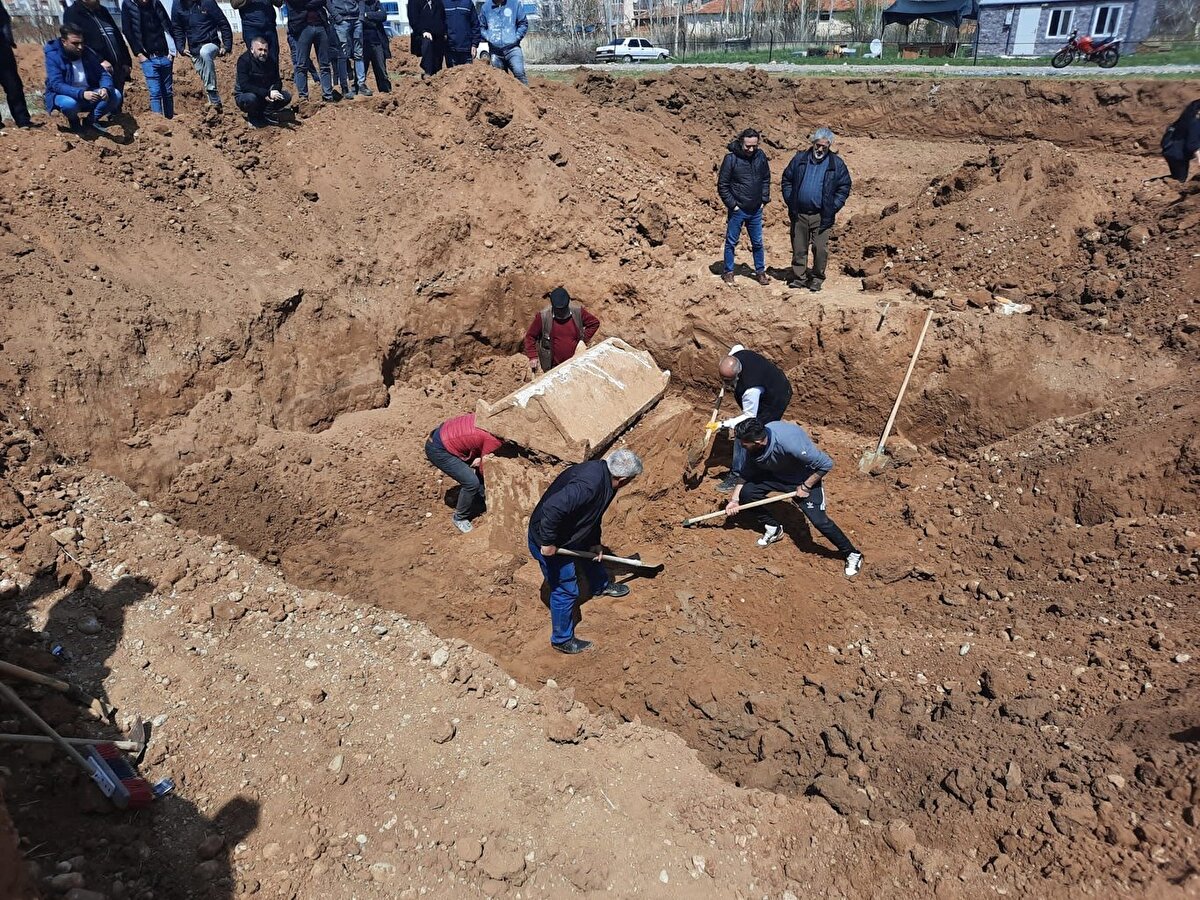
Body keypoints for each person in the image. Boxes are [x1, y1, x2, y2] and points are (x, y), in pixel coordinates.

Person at [527, 449, 642, 654]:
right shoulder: (589, 485)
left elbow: (593, 514)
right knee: (565, 588)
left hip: (571, 531)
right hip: (550, 540)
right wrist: (548, 542)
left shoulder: (608, 479)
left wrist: (594, 541)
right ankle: (561, 639)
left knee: (593, 556)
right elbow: (553, 508)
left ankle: (600, 586)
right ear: (623, 479)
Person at [726, 418, 862, 578]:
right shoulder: (754, 447)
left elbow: (826, 464)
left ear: (757, 441)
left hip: (803, 480)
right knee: (747, 493)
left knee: (820, 521)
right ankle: (773, 528)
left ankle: (852, 553)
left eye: (743, 442)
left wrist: (806, 486)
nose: (740, 444)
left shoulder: (790, 444)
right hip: (776, 474)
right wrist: (734, 500)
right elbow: (746, 473)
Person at [711, 345, 792, 492]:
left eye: (729, 381)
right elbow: (737, 346)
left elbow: (749, 416)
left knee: (743, 434)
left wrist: (722, 424)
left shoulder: (750, 390)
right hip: (771, 384)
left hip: (775, 399)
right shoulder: (737, 353)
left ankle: (738, 474)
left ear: (738, 374)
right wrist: (726, 379)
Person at [781, 126, 852, 293]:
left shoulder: (836, 164)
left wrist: (833, 206)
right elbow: (787, 180)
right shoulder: (799, 159)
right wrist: (791, 200)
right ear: (813, 143)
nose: (820, 149)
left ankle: (817, 278)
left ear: (829, 146)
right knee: (799, 247)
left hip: (822, 215)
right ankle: (799, 277)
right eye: (818, 145)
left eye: (824, 147)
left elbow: (844, 186)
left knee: (820, 249)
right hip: (799, 213)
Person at [424, 413, 503, 533]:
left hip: (445, 435)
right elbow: (485, 469)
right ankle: (459, 518)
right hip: (439, 450)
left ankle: (481, 498)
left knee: (479, 467)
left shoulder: (489, 415)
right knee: (471, 483)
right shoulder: (494, 438)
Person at [43, 24, 123, 134]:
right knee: (69, 104)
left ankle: (91, 121)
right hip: (66, 95)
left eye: (81, 43)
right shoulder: (54, 56)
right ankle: (74, 122)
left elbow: (103, 74)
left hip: (89, 92)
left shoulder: (88, 53)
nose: (80, 47)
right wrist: (81, 93)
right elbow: (56, 84)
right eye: (75, 43)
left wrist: (105, 88)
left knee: (116, 95)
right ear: (64, 41)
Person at [717, 128, 771, 286]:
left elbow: (766, 178)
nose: (751, 149)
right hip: (738, 210)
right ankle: (728, 272)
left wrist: (764, 199)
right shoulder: (731, 159)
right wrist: (733, 206)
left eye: (754, 146)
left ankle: (760, 272)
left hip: (755, 209)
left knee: (758, 243)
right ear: (741, 143)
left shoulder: (760, 156)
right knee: (731, 242)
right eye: (748, 146)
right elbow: (723, 185)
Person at [171, 0, 233, 110]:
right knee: (203, 73)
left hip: (211, 43)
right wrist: (180, 47)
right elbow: (177, 28)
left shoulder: (207, 2)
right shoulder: (177, 5)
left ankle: (211, 90)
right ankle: (215, 105)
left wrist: (227, 46)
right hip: (194, 48)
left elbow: (223, 22)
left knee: (205, 52)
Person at [522, 287, 600, 373]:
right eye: (559, 310)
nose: (561, 313)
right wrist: (533, 356)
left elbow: (594, 323)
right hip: (553, 366)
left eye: (563, 309)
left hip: (575, 362)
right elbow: (530, 336)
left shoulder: (577, 312)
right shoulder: (543, 317)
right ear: (553, 306)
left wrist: (582, 340)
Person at [120, 0, 174, 118]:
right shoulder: (128, 5)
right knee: (155, 93)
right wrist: (138, 53)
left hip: (164, 55)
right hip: (148, 57)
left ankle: (170, 120)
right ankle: (158, 122)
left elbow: (167, 24)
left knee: (168, 92)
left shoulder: (155, 3)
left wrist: (172, 50)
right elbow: (127, 31)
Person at [63, 0, 132, 91]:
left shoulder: (103, 11)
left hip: (118, 69)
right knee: (105, 101)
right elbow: (77, 43)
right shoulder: (72, 13)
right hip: (98, 71)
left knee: (117, 101)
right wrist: (99, 60)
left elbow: (118, 37)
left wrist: (126, 61)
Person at [234, 35, 291, 126]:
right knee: (251, 99)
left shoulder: (271, 61)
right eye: (260, 50)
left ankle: (267, 113)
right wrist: (266, 93)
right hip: (247, 94)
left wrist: (274, 90)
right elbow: (245, 85)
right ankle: (253, 116)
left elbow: (277, 80)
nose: (263, 53)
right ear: (252, 50)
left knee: (286, 96)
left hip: (265, 95)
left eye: (265, 50)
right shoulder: (244, 61)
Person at [285, 0, 334, 101]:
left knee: (325, 64)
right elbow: (298, 3)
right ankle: (303, 97)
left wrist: (307, 4)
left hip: (320, 25)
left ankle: (328, 95)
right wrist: (312, 3)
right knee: (301, 65)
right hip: (302, 27)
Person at [0, 1, 34, 129]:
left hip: (2, 49)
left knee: (14, 86)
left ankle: (23, 120)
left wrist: (8, 38)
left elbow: (4, 18)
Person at [478, 0, 527, 85]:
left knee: (519, 73)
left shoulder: (515, 4)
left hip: (513, 49)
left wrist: (516, 37)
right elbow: (481, 27)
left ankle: (527, 97)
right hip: (495, 52)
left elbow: (523, 23)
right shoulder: (485, 7)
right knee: (500, 80)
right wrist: (488, 37)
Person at [330, 0, 369, 95]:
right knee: (342, 55)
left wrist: (361, 16)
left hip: (356, 20)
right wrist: (336, 16)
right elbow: (327, 2)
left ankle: (361, 84)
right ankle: (344, 87)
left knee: (359, 53)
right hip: (341, 20)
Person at [1161, 99, 1200, 183]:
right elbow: (1192, 144)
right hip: (1176, 153)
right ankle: (1157, 183)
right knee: (1180, 179)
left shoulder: (1187, 117)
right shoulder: (1195, 122)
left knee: (1179, 177)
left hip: (1170, 149)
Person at [407, 0, 447, 77]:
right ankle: (427, 72)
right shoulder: (414, 2)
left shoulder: (437, 2)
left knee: (438, 62)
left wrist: (444, 32)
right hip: (422, 35)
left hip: (438, 36)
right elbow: (413, 20)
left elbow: (442, 17)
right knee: (427, 44)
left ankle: (437, 74)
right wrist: (423, 31)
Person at [361, 0, 391, 92]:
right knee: (361, 71)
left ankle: (385, 92)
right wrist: (374, 18)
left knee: (381, 70)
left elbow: (383, 16)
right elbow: (360, 18)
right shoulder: (358, 4)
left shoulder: (376, 3)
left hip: (378, 42)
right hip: (363, 43)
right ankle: (359, 90)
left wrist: (367, 15)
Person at [443, 0, 480, 67]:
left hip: (466, 50)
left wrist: (474, 44)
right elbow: (440, 23)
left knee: (467, 76)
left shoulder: (468, 3)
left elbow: (475, 25)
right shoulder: (444, 3)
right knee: (452, 75)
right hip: (450, 49)